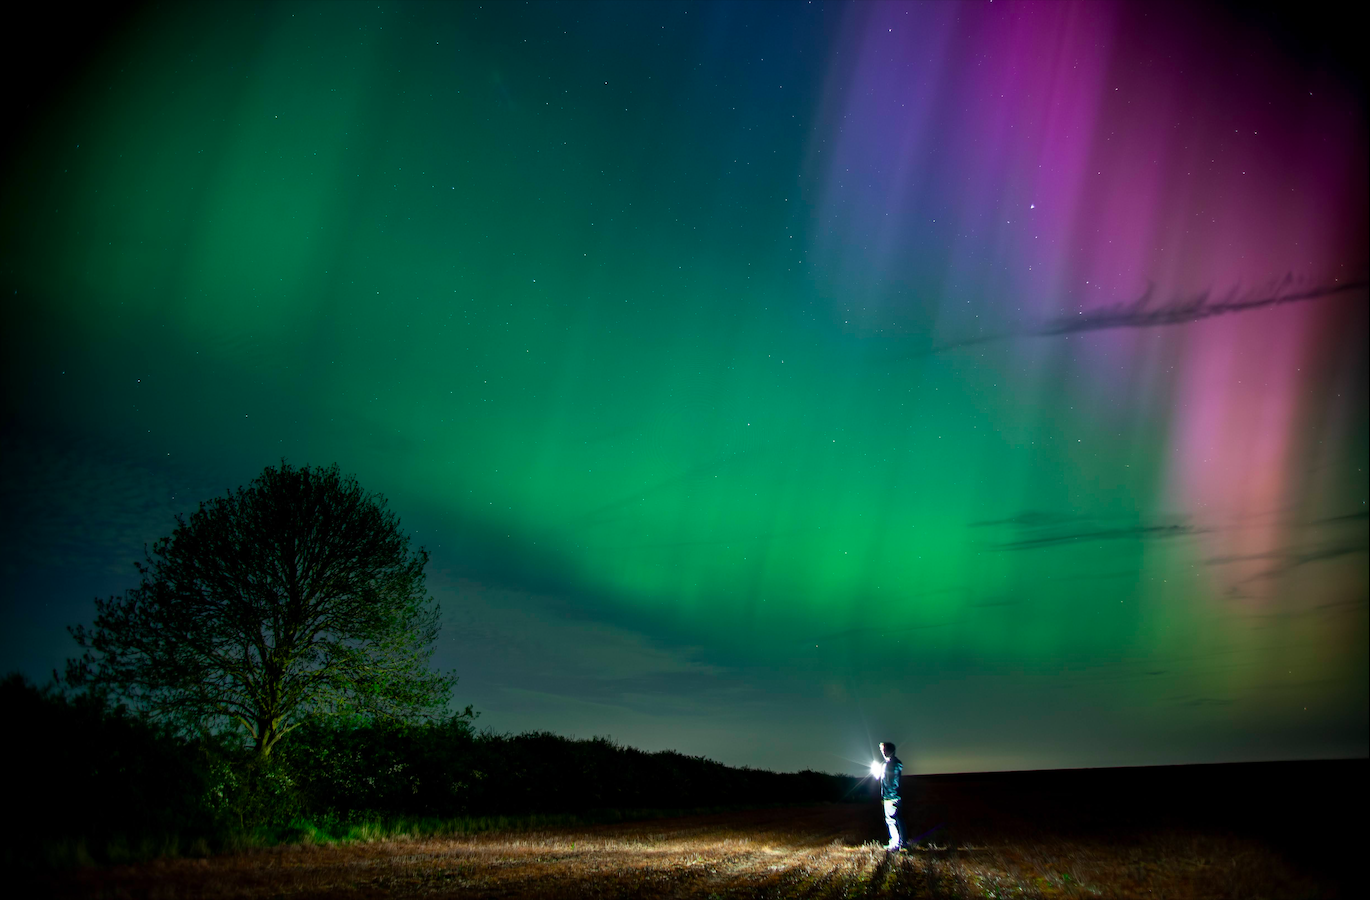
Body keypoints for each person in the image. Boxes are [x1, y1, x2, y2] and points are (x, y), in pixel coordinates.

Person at [877, 741, 906, 851]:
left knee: (892, 820)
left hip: (891, 797)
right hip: (893, 796)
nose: (883, 753)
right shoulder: (892, 764)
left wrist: (888, 796)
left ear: (889, 751)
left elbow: (891, 782)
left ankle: (896, 843)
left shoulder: (891, 765)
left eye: (884, 750)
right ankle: (901, 842)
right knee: (896, 819)